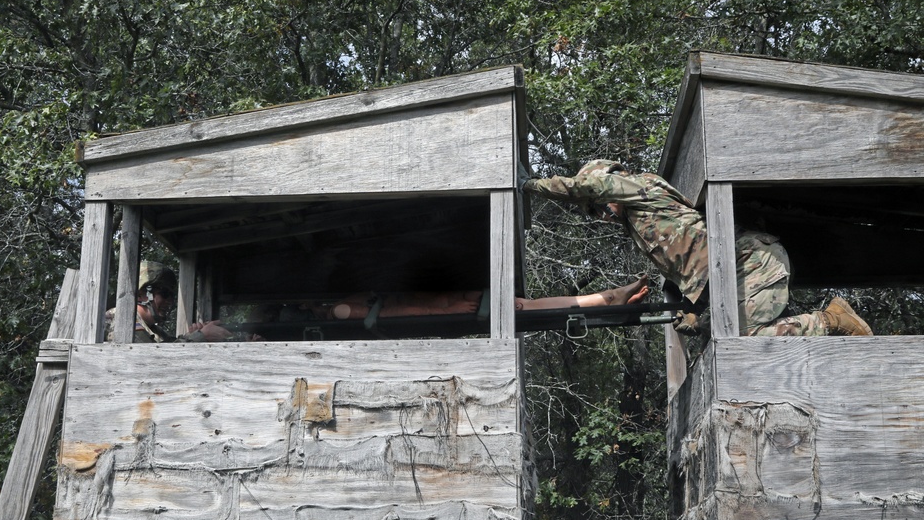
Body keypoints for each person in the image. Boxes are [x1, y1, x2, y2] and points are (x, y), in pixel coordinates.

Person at [523, 160, 872, 336]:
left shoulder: (638, 187)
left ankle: (831, 320)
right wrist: (694, 311)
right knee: (717, 338)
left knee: (743, 337)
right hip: (731, 270)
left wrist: (530, 184)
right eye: (593, 214)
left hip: (750, 261)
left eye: (598, 205)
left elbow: (587, 185)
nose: (601, 216)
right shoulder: (640, 218)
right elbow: (698, 264)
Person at [316, 276, 650, 320]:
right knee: (527, 307)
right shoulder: (341, 309)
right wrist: (456, 307)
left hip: (449, 297)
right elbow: (400, 311)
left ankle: (607, 300)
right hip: (448, 309)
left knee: (527, 304)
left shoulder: (349, 293)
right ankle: (606, 300)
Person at [104, 261, 236, 343]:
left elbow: (169, 347)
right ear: (140, 295)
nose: (170, 302)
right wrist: (200, 337)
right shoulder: (122, 320)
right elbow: (150, 362)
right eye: (165, 294)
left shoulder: (154, 330)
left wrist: (195, 336)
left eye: (172, 296)